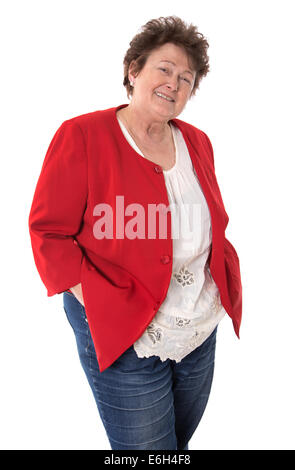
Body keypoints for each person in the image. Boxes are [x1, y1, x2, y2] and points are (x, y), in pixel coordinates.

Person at [28, 16, 242, 450]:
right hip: (124, 328)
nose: (174, 84)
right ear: (133, 69)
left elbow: (210, 221)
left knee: (177, 445)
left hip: (198, 324)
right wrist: (96, 298)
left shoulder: (197, 141)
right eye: (164, 69)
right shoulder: (83, 135)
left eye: (186, 77)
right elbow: (49, 232)